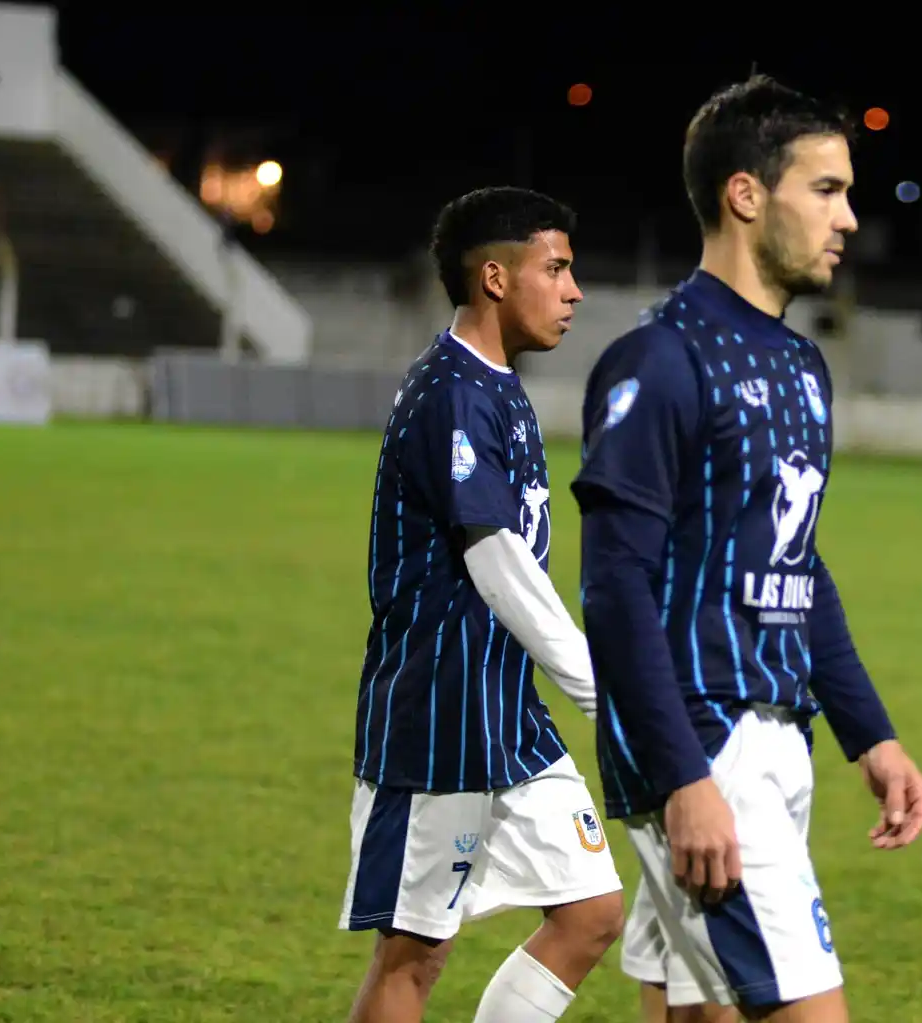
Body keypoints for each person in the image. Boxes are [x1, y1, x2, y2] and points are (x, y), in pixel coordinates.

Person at [570, 75, 922, 1023]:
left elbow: (797, 569)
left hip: (779, 742)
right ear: (745, 194)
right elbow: (613, 586)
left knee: (696, 1013)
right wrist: (686, 776)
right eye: (826, 189)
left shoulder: (801, 366)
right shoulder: (659, 361)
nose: (848, 217)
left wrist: (871, 734)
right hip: (706, 746)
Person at [338, 186, 623, 1023]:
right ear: (496, 277)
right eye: (558, 268)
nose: (574, 290)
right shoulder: (452, 392)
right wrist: (605, 692)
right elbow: (498, 561)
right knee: (414, 957)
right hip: (437, 715)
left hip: (505, 713)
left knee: (590, 910)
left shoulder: (499, 388)